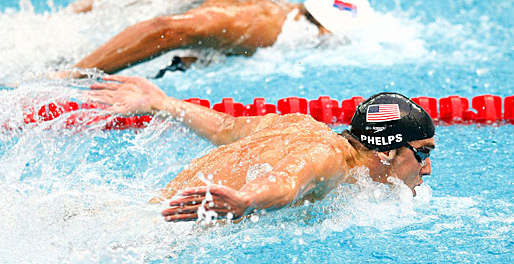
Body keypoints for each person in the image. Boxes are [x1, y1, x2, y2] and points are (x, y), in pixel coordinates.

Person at [86, 75, 435, 222]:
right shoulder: (329, 157)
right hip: (161, 237)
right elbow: (286, 181)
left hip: (133, 212)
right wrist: (247, 200)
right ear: (387, 151)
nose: (427, 168)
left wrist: (161, 102)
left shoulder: (298, 124)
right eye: (423, 152)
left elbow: (226, 127)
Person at [68, 0, 375, 76]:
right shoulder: (263, 25)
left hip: (86, 29)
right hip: (93, 50)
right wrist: (75, 75)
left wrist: (72, 12)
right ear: (323, 31)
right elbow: (166, 28)